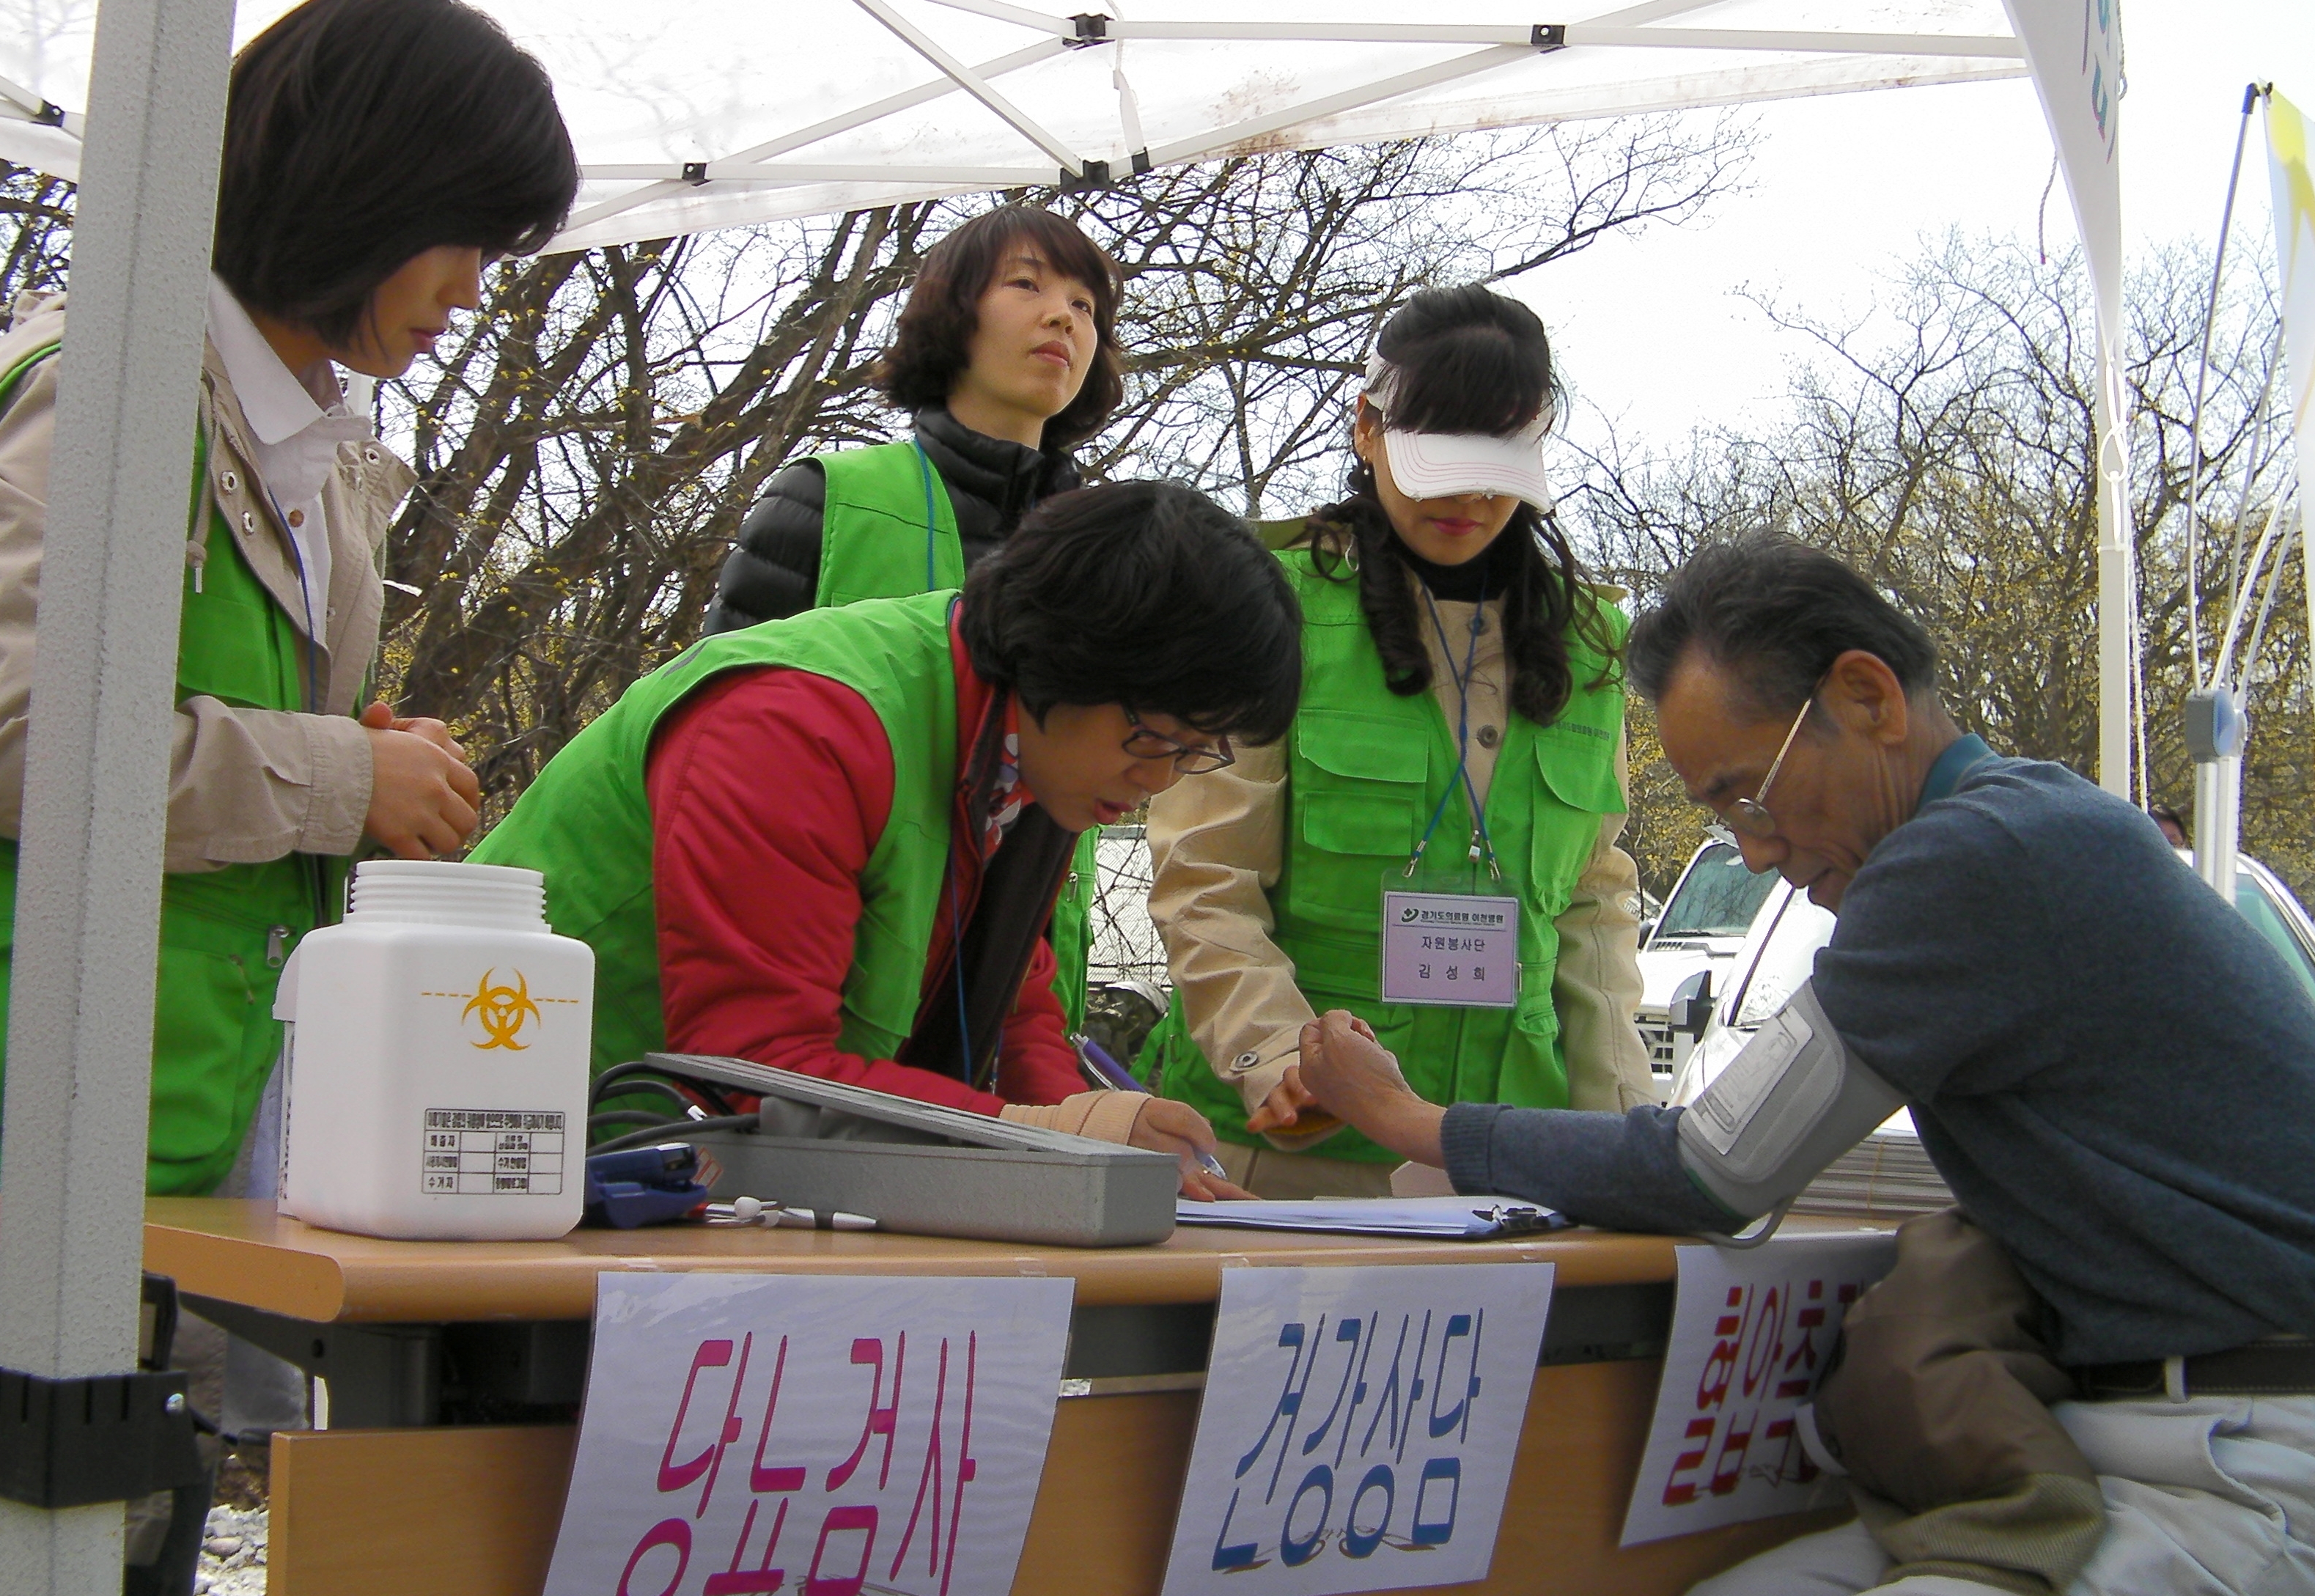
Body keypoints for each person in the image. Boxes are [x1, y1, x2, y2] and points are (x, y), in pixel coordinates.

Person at [1297, 533, 2315, 1596]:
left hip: (2294, 1462)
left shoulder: (1973, 859)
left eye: (1749, 796)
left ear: (1867, 696)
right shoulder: (2035, 823)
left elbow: (1714, 1168)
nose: (1760, 848)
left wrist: (1404, 1119)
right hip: (2163, 1436)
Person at [0, 0, 577, 1596]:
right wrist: (341, 774)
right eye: (465, 237)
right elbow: (16, 740)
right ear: (361, 184)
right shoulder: (103, 386)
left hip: (178, 1158)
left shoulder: (322, 449)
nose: (472, 292)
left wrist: (349, 754)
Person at [475, 481, 1300, 1197]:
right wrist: (1048, 1132)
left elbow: (1015, 1003)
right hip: (514, 1156)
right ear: (1066, 659)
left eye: (1199, 752)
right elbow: (752, 1073)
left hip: (678, 1181)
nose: (1161, 780)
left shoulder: (1031, 753)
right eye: (1156, 737)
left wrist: (1100, 1137)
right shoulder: (797, 728)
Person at [1140, 285, 1652, 1198]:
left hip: (1510, 1162)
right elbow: (1207, 883)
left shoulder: (1591, 642)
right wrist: (1286, 1063)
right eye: (1439, 458)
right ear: (1365, 429)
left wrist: (1621, 1140)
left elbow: (1594, 909)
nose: (1468, 495)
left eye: (1499, 460)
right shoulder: (1270, 608)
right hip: (1288, 1161)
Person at [705, 205, 1122, 1048]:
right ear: (952, 310)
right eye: (1027, 284)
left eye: (1087, 306)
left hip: (1018, 985)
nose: (1062, 318)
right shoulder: (826, 498)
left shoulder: (1112, 550)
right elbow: (714, 740)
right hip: (820, 967)